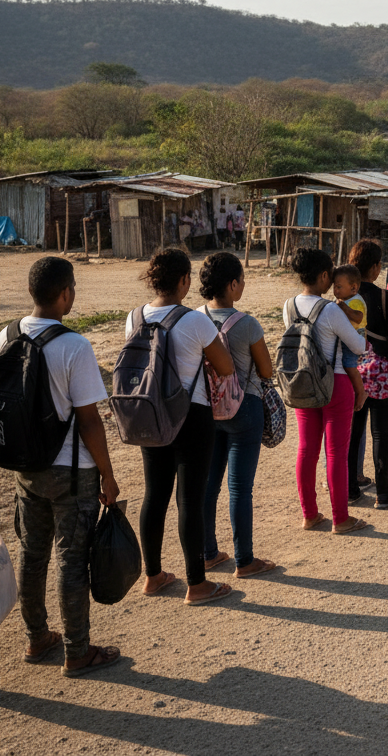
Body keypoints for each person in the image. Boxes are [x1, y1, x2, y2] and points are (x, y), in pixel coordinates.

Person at [0, 257, 124, 675]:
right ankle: (77, 650)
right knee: (71, 558)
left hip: (25, 465)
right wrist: (107, 472)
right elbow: (89, 420)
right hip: (72, 471)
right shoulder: (74, 345)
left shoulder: (7, 335)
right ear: (66, 293)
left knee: (32, 553)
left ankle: (36, 639)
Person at [130, 248, 236, 605]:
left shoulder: (134, 318)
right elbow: (224, 368)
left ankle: (153, 575)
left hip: (149, 413)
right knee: (189, 498)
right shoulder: (194, 321)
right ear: (184, 281)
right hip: (191, 417)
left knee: (154, 494)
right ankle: (197, 584)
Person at [197, 252, 278, 579]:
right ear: (232, 285)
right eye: (241, 280)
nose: (243, 285)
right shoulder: (247, 324)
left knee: (208, 486)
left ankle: (208, 553)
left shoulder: (195, 319)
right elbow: (266, 369)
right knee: (240, 488)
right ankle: (245, 561)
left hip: (206, 411)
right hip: (244, 409)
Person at [285, 247, 369, 534]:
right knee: (336, 453)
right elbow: (358, 347)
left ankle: (310, 515)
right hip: (335, 384)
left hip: (303, 384)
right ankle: (341, 518)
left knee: (306, 450)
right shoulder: (331, 309)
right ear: (323, 275)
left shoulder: (289, 306)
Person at [348, 239, 388, 508]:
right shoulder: (385, 298)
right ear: (374, 267)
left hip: (351, 372)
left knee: (353, 433)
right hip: (381, 373)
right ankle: (384, 493)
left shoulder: (345, 299)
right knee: (381, 434)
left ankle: (350, 490)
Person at [332, 265, 369, 416]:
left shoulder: (355, 301)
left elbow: (358, 317)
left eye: (339, 287)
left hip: (356, 337)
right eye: (334, 287)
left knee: (349, 364)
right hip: (349, 337)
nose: (336, 291)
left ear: (354, 288)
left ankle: (361, 392)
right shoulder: (345, 298)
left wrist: (344, 308)